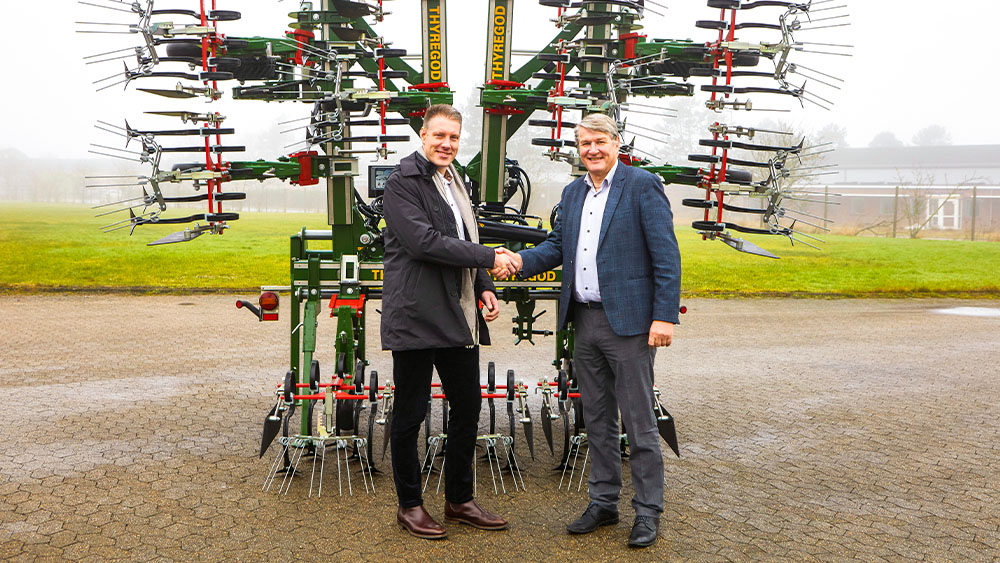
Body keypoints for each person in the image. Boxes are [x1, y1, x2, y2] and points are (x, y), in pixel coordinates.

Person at [495, 113, 681, 548]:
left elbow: (666, 255)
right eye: (584, 144)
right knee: (595, 418)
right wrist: (520, 261)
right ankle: (603, 502)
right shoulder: (573, 192)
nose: (592, 150)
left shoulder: (641, 185)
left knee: (638, 422)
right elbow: (559, 245)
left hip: (630, 324)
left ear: (617, 143)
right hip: (584, 320)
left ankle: (648, 511)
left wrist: (664, 315)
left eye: (599, 141)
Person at [381, 104, 515, 540]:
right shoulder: (402, 182)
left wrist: (482, 287)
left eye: (454, 138)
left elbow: (465, 238)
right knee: (410, 414)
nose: (447, 144)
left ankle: (459, 499)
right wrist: (490, 259)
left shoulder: (454, 180)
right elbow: (425, 243)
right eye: (439, 135)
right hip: (418, 314)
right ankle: (410, 506)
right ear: (423, 136)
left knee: (468, 407)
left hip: (457, 315)